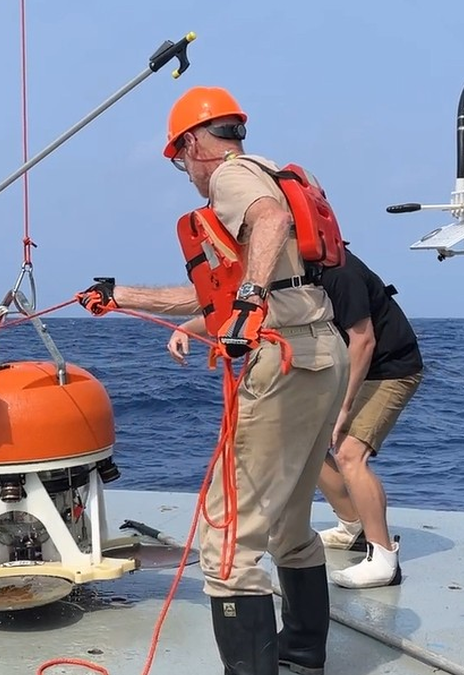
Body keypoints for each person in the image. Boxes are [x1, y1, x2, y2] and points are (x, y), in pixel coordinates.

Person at [78, 85, 350, 675]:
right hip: (323, 351)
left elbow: (269, 223)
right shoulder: (272, 173)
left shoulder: (231, 175)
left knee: (226, 543)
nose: (188, 173)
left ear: (194, 143)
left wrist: (250, 301)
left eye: (181, 159)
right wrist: (121, 296)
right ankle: (302, 654)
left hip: (285, 356)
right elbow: (212, 295)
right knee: (289, 525)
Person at [312, 245, 423, 589]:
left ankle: (384, 559)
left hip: (391, 370)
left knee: (349, 453)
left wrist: (343, 407)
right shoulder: (299, 273)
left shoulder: (339, 272)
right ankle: (352, 527)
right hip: (349, 370)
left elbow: (363, 341)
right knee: (309, 441)